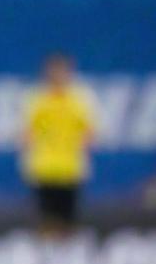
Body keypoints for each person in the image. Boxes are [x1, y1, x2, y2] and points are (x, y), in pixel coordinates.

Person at [21, 53, 98, 239]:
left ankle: (65, 259)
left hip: (69, 168)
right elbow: (26, 133)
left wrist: (76, 146)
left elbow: (90, 132)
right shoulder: (37, 99)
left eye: (62, 71)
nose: (58, 76)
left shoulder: (79, 100)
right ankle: (48, 258)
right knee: (46, 221)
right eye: (54, 71)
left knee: (68, 221)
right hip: (44, 168)